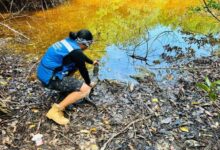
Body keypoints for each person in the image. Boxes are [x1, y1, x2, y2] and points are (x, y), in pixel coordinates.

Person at [37, 29, 98, 125]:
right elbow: (83, 70)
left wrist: (91, 62)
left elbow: (79, 56)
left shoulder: (69, 42)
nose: (87, 47)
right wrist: (89, 84)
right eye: (88, 45)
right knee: (85, 90)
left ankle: (64, 89)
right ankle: (56, 111)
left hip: (43, 73)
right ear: (84, 43)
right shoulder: (76, 52)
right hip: (49, 79)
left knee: (75, 64)